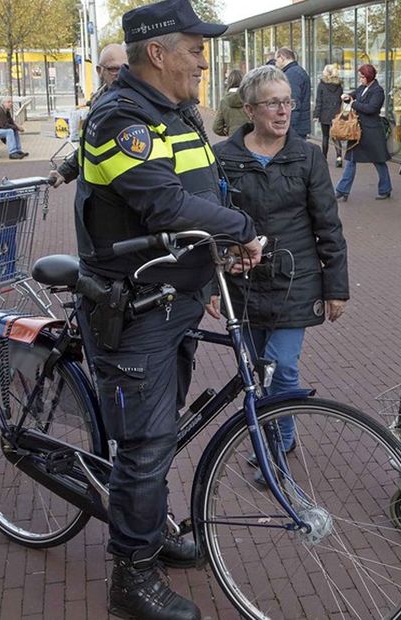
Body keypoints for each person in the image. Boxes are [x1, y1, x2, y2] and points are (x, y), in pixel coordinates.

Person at [73, 1, 262, 618]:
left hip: (173, 299)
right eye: (195, 49)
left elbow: (202, 192)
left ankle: (147, 525)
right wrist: (242, 228)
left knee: (160, 432)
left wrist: (215, 260)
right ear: (157, 53)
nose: (204, 61)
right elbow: (166, 206)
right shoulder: (119, 118)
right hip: (133, 312)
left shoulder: (175, 112)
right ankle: (131, 577)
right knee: (145, 445)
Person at [211, 66, 349, 466]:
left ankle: (281, 440)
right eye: (273, 103)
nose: (283, 111)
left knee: (282, 366)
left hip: (296, 279)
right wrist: (208, 284)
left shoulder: (307, 156)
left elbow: (328, 224)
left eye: (288, 102)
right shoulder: (223, 158)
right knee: (255, 370)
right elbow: (211, 225)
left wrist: (336, 287)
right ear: (250, 109)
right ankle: (271, 435)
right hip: (243, 284)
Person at [50, 43, 128, 187]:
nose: (120, 73)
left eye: (124, 68)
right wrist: (64, 171)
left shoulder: (136, 100)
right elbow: (90, 144)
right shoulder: (98, 100)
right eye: (113, 69)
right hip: (96, 193)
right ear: (99, 71)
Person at [334, 64, 391, 202]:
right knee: (351, 160)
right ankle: (342, 190)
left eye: (362, 77)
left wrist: (353, 104)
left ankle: (385, 189)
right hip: (358, 130)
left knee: (379, 161)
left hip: (372, 131)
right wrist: (347, 96)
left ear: (369, 76)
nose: (360, 79)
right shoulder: (363, 88)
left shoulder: (378, 91)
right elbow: (354, 95)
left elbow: (371, 108)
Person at [274, 47, 310, 140]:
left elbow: (292, 103)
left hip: (295, 128)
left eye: (276, 60)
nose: (275, 63)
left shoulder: (292, 74)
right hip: (299, 126)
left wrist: (287, 127)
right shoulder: (297, 71)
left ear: (282, 57)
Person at [313, 63, 344, 167]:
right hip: (336, 114)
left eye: (324, 70)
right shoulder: (339, 85)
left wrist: (316, 115)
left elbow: (319, 101)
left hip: (324, 113)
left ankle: (324, 158)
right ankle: (339, 158)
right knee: (336, 136)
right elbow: (340, 100)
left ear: (327, 73)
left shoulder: (322, 85)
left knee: (325, 136)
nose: (323, 72)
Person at [211, 69, 246, 137]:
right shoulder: (250, 98)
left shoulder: (224, 101)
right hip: (251, 140)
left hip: (233, 140)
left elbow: (216, 128)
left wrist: (228, 132)